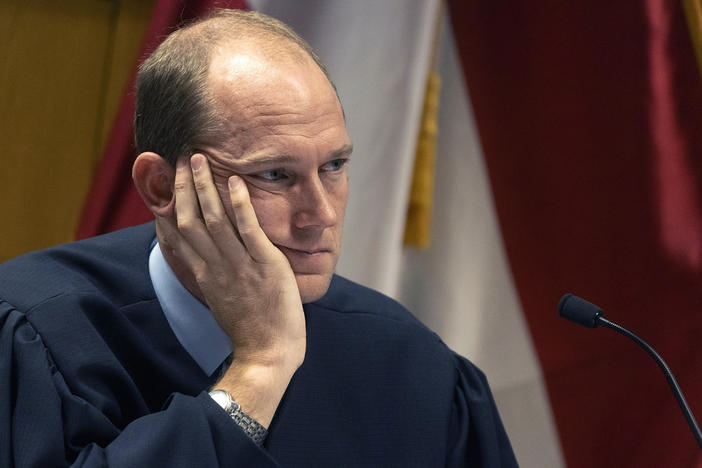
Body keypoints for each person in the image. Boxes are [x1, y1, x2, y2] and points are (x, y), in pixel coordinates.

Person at [0, 9, 517, 467]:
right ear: (161, 186)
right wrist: (260, 367)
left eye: (334, 165)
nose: (319, 215)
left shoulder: (408, 365)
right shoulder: (33, 335)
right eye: (275, 175)